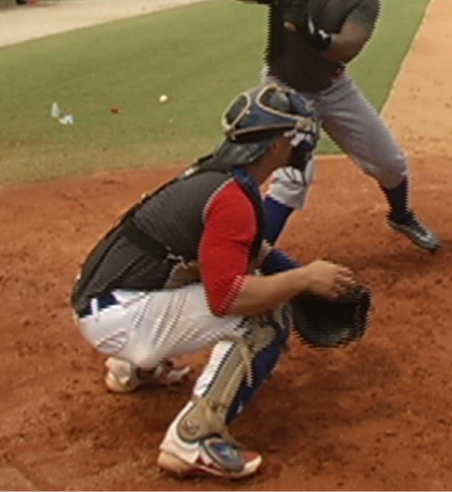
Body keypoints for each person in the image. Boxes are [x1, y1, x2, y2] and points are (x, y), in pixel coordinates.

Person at [70, 83, 360, 479]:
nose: (303, 139)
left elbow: (253, 253)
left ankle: (132, 368)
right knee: (263, 315)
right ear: (275, 146)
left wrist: (303, 276)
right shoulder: (232, 200)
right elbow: (229, 297)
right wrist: (300, 281)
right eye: (294, 132)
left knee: (225, 275)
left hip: (106, 295)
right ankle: (193, 437)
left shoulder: (217, 176)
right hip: (120, 315)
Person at [219, 0, 441, 254]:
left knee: (390, 163)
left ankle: (401, 215)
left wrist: (310, 31)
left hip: (333, 87)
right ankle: (248, 258)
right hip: (284, 91)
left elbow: (347, 47)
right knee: (292, 180)